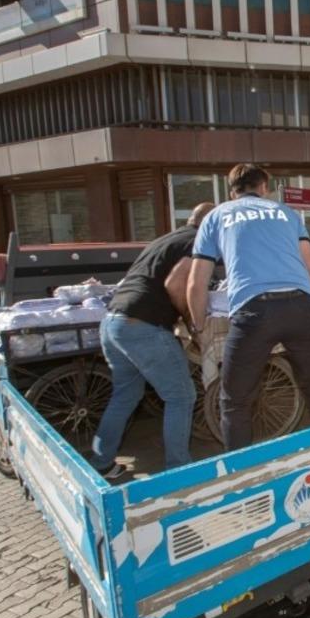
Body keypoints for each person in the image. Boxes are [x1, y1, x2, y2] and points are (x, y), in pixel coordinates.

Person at [186, 164, 310, 450]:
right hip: (300, 306)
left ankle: (243, 477)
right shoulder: (287, 213)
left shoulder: (216, 216)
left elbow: (196, 284)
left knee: (235, 401)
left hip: (254, 312)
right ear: (264, 187)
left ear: (232, 191)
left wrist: (198, 327)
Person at [90, 203, 214, 478]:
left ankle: (101, 463)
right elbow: (177, 286)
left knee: (125, 394)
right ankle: (178, 471)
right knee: (182, 396)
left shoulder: (165, 239)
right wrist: (193, 323)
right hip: (144, 326)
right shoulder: (198, 241)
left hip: (114, 321)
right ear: (210, 225)